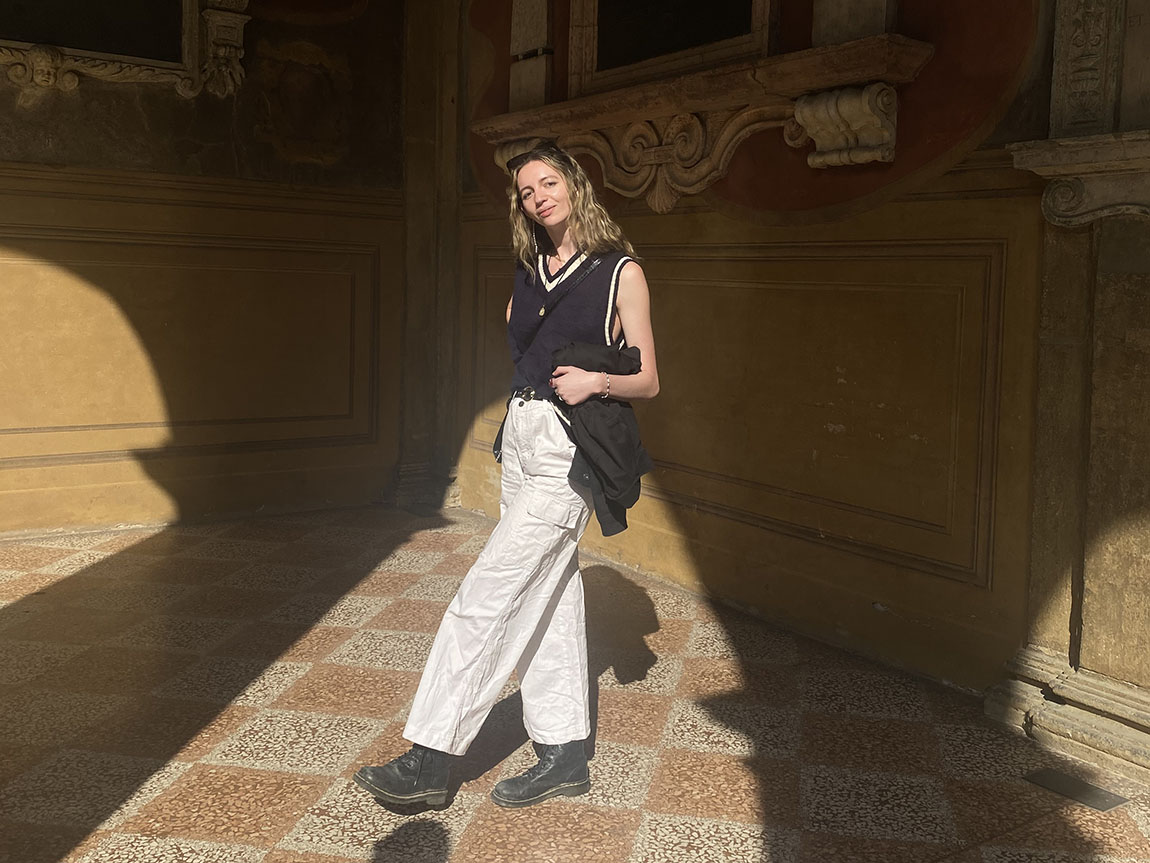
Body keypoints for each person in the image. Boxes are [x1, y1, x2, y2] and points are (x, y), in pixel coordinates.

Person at [353, 142, 659, 809]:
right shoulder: (529, 267)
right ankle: (565, 752)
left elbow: (650, 377)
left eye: (549, 181)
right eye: (526, 190)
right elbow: (520, 340)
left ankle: (432, 757)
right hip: (521, 437)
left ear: (574, 185)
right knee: (548, 597)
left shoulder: (619, 272)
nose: (539, 195)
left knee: (486, 593)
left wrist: (597, 379)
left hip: (568, 448)